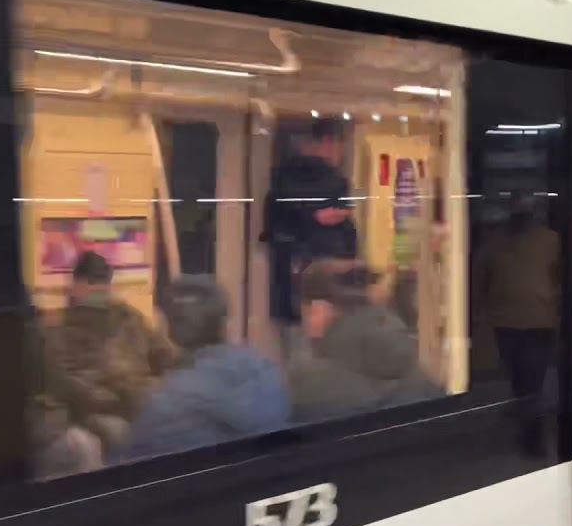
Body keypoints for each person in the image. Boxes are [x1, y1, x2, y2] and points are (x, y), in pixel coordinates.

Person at [110, 276, 290, 463]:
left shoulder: (167, 402)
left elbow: (126, 468)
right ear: (224, 324)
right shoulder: (269, 373)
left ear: (168, 329)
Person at [35, 251, 175, 459]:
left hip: (144, 399)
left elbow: (163, 353)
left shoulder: (128, 317)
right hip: (100, 411)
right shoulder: (60, 328)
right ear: (76, 285)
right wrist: (118, 399)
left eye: (102, 282)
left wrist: (164, 383)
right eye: (91, 282)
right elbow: (67, 383)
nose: (98, 289)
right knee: (122, 434)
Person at [288, 260, 440, 422]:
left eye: (306, 314)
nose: (305, 326)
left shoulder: (304, 390)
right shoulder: (422, 377)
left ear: (318, 310)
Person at [264, 118, 359, 330]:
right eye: (337, 146)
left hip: (308, 273)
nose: (339, 153)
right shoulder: (325, 180)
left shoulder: (285, 178)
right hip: (313, 270)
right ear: (326, 142)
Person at [473, 195, 561, 401]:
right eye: (520, 214)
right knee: (520, 374)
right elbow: (480, 278)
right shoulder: (497, 242)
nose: (523, 219)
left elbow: (560, 276)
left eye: (525, 214)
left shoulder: (549, 241)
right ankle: (526, 406)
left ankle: (528, 407)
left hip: (533, 320)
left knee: (530, 374)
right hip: (517, 319)